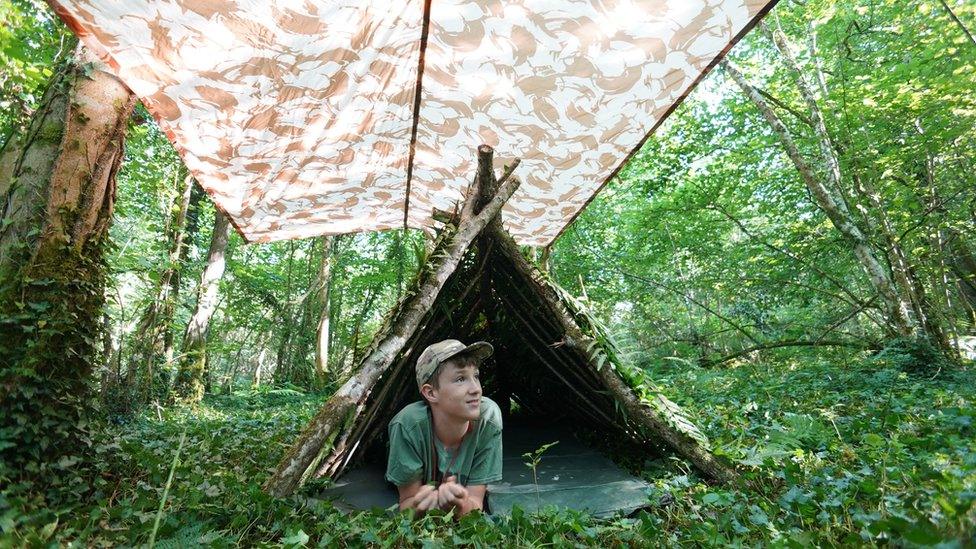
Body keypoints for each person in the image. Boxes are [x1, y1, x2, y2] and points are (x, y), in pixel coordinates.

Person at [385, 339, 503, 516]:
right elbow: (406, 504)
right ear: (431, 393)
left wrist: (460, 504)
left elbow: (475, 504)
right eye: (460, 379)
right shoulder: (407, 425)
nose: (476, 389)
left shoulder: (488, 419)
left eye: (476, 376)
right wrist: (421, 505)